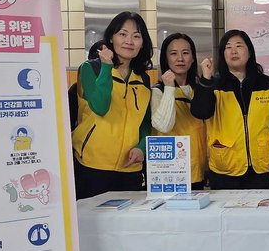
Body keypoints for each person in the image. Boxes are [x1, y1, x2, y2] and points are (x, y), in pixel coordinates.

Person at [191, 30, 269, 189]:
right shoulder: (214, 84)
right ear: (223, 54)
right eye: (228, 47)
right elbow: (200, 112)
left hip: (260, 167)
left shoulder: (266, 84)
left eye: (238, 46)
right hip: (224, 168)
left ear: (249, 51)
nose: (233, 51)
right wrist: (206, 79)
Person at [71, 12, 153, 199]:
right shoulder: (90, 69)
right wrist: (106, 67)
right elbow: (100, 106)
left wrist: (141, 147)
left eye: (136, 36)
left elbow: (145, 123)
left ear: (142, 43)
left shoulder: (143, 79)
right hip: (92, 165)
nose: (129, 41)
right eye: (123, 34)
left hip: (130, 168)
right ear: (111, 38)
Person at [151, 32, 209, 190]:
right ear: (166, 59)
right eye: (173, 53)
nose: (180, 59)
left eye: (185, 53)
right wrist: (169, 88)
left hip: (199, 170)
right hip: (170, 173)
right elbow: (163, 126)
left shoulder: (200, 89)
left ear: (193, 58)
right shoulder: (158, 91)